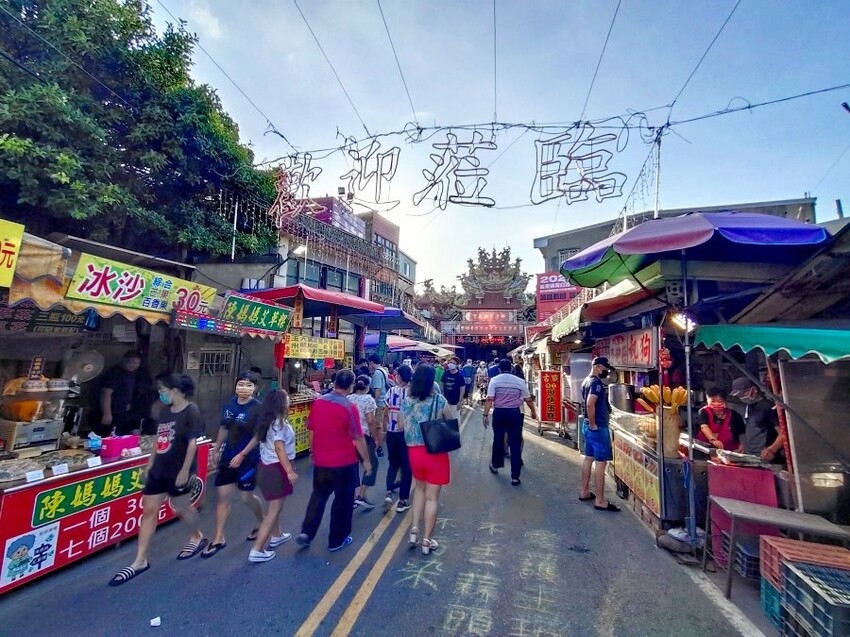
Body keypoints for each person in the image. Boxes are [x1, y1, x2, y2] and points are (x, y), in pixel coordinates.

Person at [109, 374, 207, 585]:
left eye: (163, 390)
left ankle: (196, 535)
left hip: (179, 469)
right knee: (149, 511)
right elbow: (158, 439)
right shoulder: (165, 411)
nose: (161, 394)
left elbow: (193, 443)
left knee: (181, 507)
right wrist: (150, 463)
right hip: (159, 469)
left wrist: (184, 471)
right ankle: (140, 560)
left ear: (175, 390)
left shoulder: (191, 410)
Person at [297, 370, 372, 552]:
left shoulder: (319, 402)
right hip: (344, 462)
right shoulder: (349, 407)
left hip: (321, 460)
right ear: (351, 386)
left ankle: (307, 532)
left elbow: (311, 428)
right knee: (343, 500)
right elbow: (358, 437)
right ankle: (337, 540)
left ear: (335, 382)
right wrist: (366, 461)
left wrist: (312, 450)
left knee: (318, 496)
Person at [203, 371, 264, 558]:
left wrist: (242, 454)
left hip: (248, 459)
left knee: (246, 497)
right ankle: (218, 537)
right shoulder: (229, 404)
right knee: (223, 497)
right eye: (240, 384)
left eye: (248, 385)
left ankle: (262, 522)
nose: (243, 388)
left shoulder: (258, 408)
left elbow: (258, 436)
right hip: (227, 457)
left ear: (255, 388)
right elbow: (224, 427)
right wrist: (216, 449)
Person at [235, 390, 298, 563]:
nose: (289, 402)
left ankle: (277, 535)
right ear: (281, 404)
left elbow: (258, 440)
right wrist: (290, 471)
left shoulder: (267, 422)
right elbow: (280, 449)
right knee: (274, 510)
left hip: (265, 468)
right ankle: (257, 549)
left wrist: (242, 454)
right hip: (277, 469)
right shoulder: (279, 424)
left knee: (274, 506)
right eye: (287, 400)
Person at [401, 365, 453, 555]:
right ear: (432, 381)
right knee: (432, 498)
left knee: (419, 490)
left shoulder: (407, 401)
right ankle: (426, 540)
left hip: (414, 452)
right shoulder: (439, 400)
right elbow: (450, 421)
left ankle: (414, 530)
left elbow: (400, 424)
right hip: (435, 452)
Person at [483, 359, 537, 485]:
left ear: (499, 369)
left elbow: (489, 399)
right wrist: (533, 411)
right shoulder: (519, 381)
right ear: (511, 368)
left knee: (498, 440)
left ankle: (495, 466)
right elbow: (528, 399)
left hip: (499, 413)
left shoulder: (494, 380)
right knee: (515, 443)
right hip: (514, 414)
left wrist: (485, 415)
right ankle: (515, 477)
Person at [580, 357, 621, 512]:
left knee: (588, 458)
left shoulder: (586, 381)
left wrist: (590, 424)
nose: (606, 372)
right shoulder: (596, 383)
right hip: (597, 427)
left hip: (588, 425)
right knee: (600, 462)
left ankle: (584, 492)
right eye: (604, 369)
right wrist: (593, 424)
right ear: (597, 367)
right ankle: (600, 500)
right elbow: (590, 404)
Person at [730, 376, 785, 462]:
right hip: (751, 456)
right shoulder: (749, 406)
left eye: (743, 394)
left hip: (767, 458)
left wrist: (772, 450)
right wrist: (743, 445)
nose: (741, 397)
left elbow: (783, 433)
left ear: (754, 390)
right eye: (738, 395)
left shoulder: (768, 407)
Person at [384, 364, 413, 512]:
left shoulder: (391, 391)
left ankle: (389, 492)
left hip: (391, 431)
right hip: (406, 433)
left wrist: (384, 428)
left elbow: (385, 411)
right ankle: (402, 500)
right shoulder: (412, 392)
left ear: (399, 376)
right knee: (406, 467)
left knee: (393, 463)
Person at [95, 350, 145, 436]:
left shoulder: (130, 374)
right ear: (124, 360)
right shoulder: (114, 374)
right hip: (112, 412)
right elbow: (106, 393)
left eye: (137, 363)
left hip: (122, 412)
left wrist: (127, 403)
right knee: (110, 436)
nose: (134, 365)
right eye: (132, 362)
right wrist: (107, 413)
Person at [348, 375, 380, 509]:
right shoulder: (368, 400)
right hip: (364, 437)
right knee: (372, 463)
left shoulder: (349, 398)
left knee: (352, 465)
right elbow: (371, 421)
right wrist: (376, 437)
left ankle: (352, 496)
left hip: (349, 437)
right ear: (367, 386)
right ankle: (360, 495)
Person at [695, 387, 745, 451]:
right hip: (706, 450)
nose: (716, 404)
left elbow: (741, 432)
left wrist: (742, 445)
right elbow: (704, 427)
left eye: (720, 401)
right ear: (707, 400)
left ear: (725, 401)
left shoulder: (734, 415)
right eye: (713, 401)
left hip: (729, 451)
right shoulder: (704, 411)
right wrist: (713, 440)